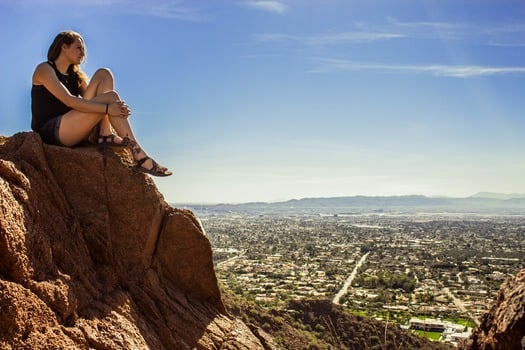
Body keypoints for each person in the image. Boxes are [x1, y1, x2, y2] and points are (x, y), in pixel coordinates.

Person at [31, 30, 172, 177]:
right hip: (52, 132)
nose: (83, 54)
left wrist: (112, 108)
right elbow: (70, 100)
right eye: (79, 48)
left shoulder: (76, 76)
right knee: (111, 98)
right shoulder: (44, 69)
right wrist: (108, 108)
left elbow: (91, 102)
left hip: (72, 125)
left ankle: (105, 133)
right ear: (64, 47)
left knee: (104, 74)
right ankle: (140, 156)